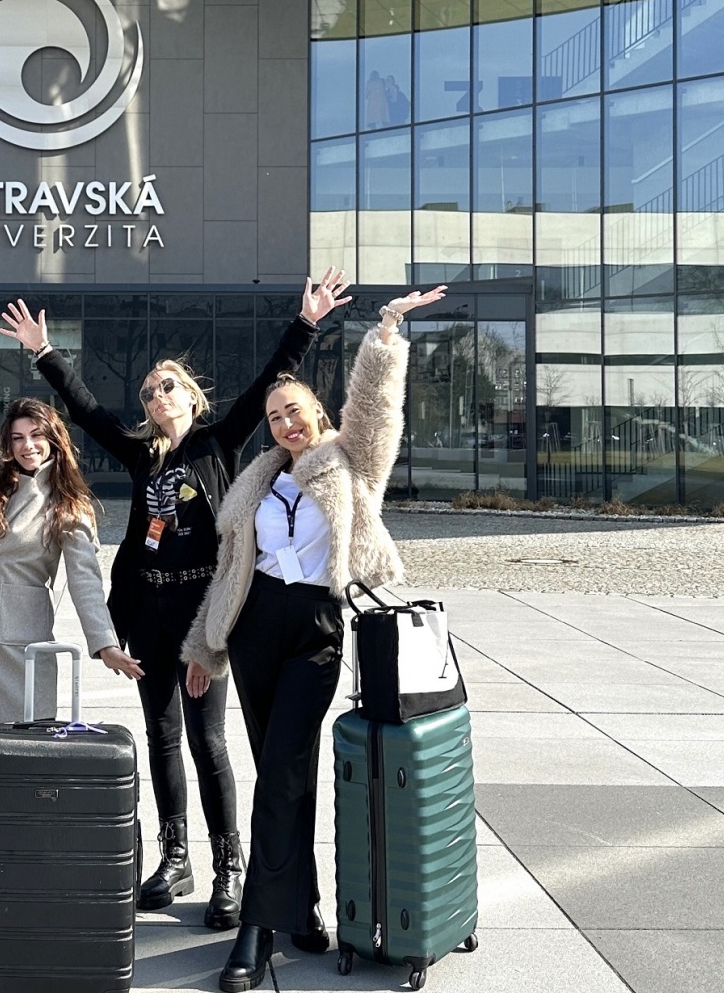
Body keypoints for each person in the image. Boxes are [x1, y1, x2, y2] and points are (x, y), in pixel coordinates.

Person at [0, 273, 343, 929]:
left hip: (202, 614)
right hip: (149, 613)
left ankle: (229, 867)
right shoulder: (141, 455)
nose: (158, 396)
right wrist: (45, 354)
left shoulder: (218, 442)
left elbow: (268, 383)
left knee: (207, 739)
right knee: (161, 736)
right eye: (150, 391)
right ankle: (176, 856)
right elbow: (88, 412)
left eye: (168, 386)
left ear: (190, 396)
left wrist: (305, 323)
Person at [181, 283, 449, 993]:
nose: (283, 424)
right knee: (287, 777)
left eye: (293, 410)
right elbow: (232, 570)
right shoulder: (257, 481)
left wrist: (386, 333)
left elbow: (376, 408)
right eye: (274, 417)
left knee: (279, 774)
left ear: (318, 413)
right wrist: (204, 647)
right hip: (253, 631)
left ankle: (257, 929)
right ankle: (300, 908)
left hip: (315, 631)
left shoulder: (350, 462)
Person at [0, 307, 143, 729]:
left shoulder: (69, 503)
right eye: (17, 438)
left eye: (36, 436)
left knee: (22, 735)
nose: (26, 446)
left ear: (53, 439)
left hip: (20, 630)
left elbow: (85, 580)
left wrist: (104, 643)